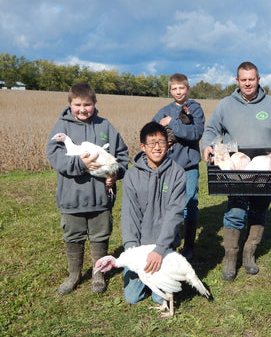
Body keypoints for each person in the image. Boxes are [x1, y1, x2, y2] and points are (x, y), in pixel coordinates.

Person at [201, 61, 271, 281]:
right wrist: (207, 145)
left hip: (266, 167)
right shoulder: (226, 105)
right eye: (243, 80)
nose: (247, 83)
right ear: (237, 81)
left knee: (259, 211)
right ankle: (230, 258)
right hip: (237, 166)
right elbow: (212, 130)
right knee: (235, 212)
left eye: (251, 79)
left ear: (258, 80)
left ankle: (249, 255)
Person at [46, 83, 129, 295]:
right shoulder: (61, 127)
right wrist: (81, 165)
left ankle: (98, 273)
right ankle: (74, 275)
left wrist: (115, 174)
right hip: (71, 197)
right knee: (73, 236)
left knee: (100, 234)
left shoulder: (105, 126)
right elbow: (54, 156)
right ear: (69, 104)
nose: (82, 109)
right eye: (77, 105)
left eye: (87, 104)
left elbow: (122, 156)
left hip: (100, 197)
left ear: (94, 103)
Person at [121, 122, 186, 307]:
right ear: (143, 147)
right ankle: (146, 277)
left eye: (161, 142)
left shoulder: (177, 174)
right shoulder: (132, 175)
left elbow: (175, 214)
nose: (157, 147)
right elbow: (129, 214)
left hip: (163, 246)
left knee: (160, 298)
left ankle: (166, 269)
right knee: (132, 297)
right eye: (152, 143)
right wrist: (132, 250)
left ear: (168, 144)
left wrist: (160, 249)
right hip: (140, 247)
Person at [152, 73, 205, 261]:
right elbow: (153, 131)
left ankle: (189, 246)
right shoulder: (164, 110)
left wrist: (172, 123)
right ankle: (170, 243)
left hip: (189, 166)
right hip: (168, 167)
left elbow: (195, 133)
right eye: (174, 89)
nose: (178, 91)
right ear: (170, 90)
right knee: (168, 205)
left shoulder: (195, 109)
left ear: (188, 88)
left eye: (181, 88)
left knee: (190, 203)